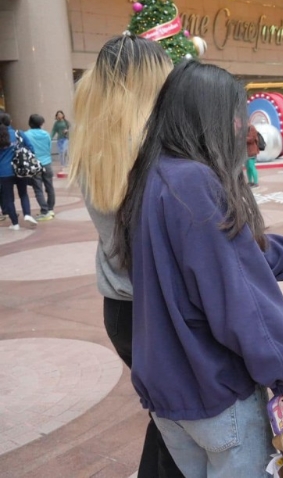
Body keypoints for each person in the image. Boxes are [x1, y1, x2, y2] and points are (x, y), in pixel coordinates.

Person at [113, 61, 283, 476]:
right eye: (235, 113)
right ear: (210, 116)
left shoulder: (152, 176)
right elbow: (238, 297)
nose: (243, 126)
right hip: (214, 391)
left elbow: (249, 255)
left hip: (169, 394)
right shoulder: (194, 182)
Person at [69, 34, 184, 478]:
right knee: (185, 426)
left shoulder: (97, 147)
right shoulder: (154, 156)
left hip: (122, 309)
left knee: (172, 420)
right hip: (158, 313)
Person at [0, 113, 37, 230]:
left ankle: (15, 223)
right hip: (20, 168)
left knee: (8, 198)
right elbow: (31, 148)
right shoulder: (19, 133)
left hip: (4, 171)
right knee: (23, 193)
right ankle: (27, 214)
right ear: (10, 121)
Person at [26, 114, 56, 220]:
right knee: (49, 187)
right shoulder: (46, 134)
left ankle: (44, 210)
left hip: (35, 164)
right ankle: (51, 209)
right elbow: (49, 148)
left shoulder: (27, 135)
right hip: (47, 163)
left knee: (38, 189)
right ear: (41, 124)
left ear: (30, 123)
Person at [245, 123, 259, 188]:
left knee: (251, 166)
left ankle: (256, 182)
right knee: (247, 167)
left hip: (251, 151)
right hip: (245, 152)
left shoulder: (251, 128)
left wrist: (242, 138)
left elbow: (251, 139)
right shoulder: (243, 128)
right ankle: (250, 181)